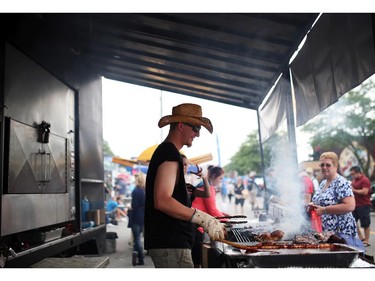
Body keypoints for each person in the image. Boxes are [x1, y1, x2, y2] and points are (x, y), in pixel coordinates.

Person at [144, 103, 225, 268]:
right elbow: (162, 200)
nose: (197, 134)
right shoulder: (170, 153)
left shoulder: (168, 152)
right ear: (181, 125)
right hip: (171, 244)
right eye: (195, 128)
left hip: (172, 243)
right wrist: (202, 218)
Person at [309, 152, 364, 251]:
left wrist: (324, 210)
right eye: (322, 165)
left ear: (335, 166)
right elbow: (323, 202)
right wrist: (313, 205)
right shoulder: (323, 183)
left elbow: (350, 206)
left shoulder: (341, 182)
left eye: (328, 165)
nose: (324, 167)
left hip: (342, 233)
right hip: (327, 233)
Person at [192, 165, 229, 267]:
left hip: (195, 222)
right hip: (195, 225)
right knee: (196, 260)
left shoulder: (204, 184)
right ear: (213, 176)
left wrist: (225, 215)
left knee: (195, 258)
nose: (221, 180)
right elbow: (212, 210)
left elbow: (210, 207)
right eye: (220, 178)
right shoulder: (208, 186)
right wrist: (229, 221)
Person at [350, 166, 371, 247]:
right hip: (355, 205)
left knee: (365, 224)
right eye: (351, 174)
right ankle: (361, 237)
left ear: (358, 172)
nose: (352, 176)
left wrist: (354, 190)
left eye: (353, 174)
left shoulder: (365, 180)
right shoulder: (354, 180)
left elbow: (365, 192)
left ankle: (366, 240)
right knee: (353, 222)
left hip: (364, 205)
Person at [129, 172, 146, 266]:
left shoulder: (135, 191)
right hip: (143, 216)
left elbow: (134, 205)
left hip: (136, 216)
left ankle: (141, 258)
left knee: (137, 239)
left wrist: (130, 207)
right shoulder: (144, 191)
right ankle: (136, 256)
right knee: (138, 237)